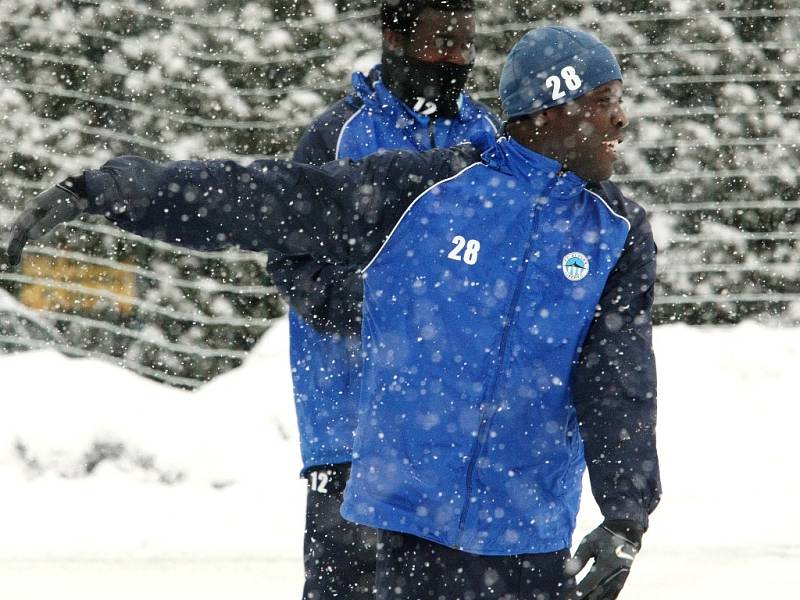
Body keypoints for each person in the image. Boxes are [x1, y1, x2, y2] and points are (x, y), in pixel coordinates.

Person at [7, 26, 661, 600]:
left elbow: (616, 382)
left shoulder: (617, 233)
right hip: (401, 534)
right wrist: (117, 191)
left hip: (529, 542)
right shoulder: (428, 192)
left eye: (618, 102)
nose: (620, 120)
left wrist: (626, 517)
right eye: (602, 102)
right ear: (546, 112)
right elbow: (267, 199)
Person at [268, 1, 499, 597]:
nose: (455, 58)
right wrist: (393, 311)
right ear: (393, 36)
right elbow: (294, 264)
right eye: (440, 41)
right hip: (354, 432)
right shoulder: (338, 136)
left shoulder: (485, 138)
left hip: (454, 434)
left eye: (464, 43)